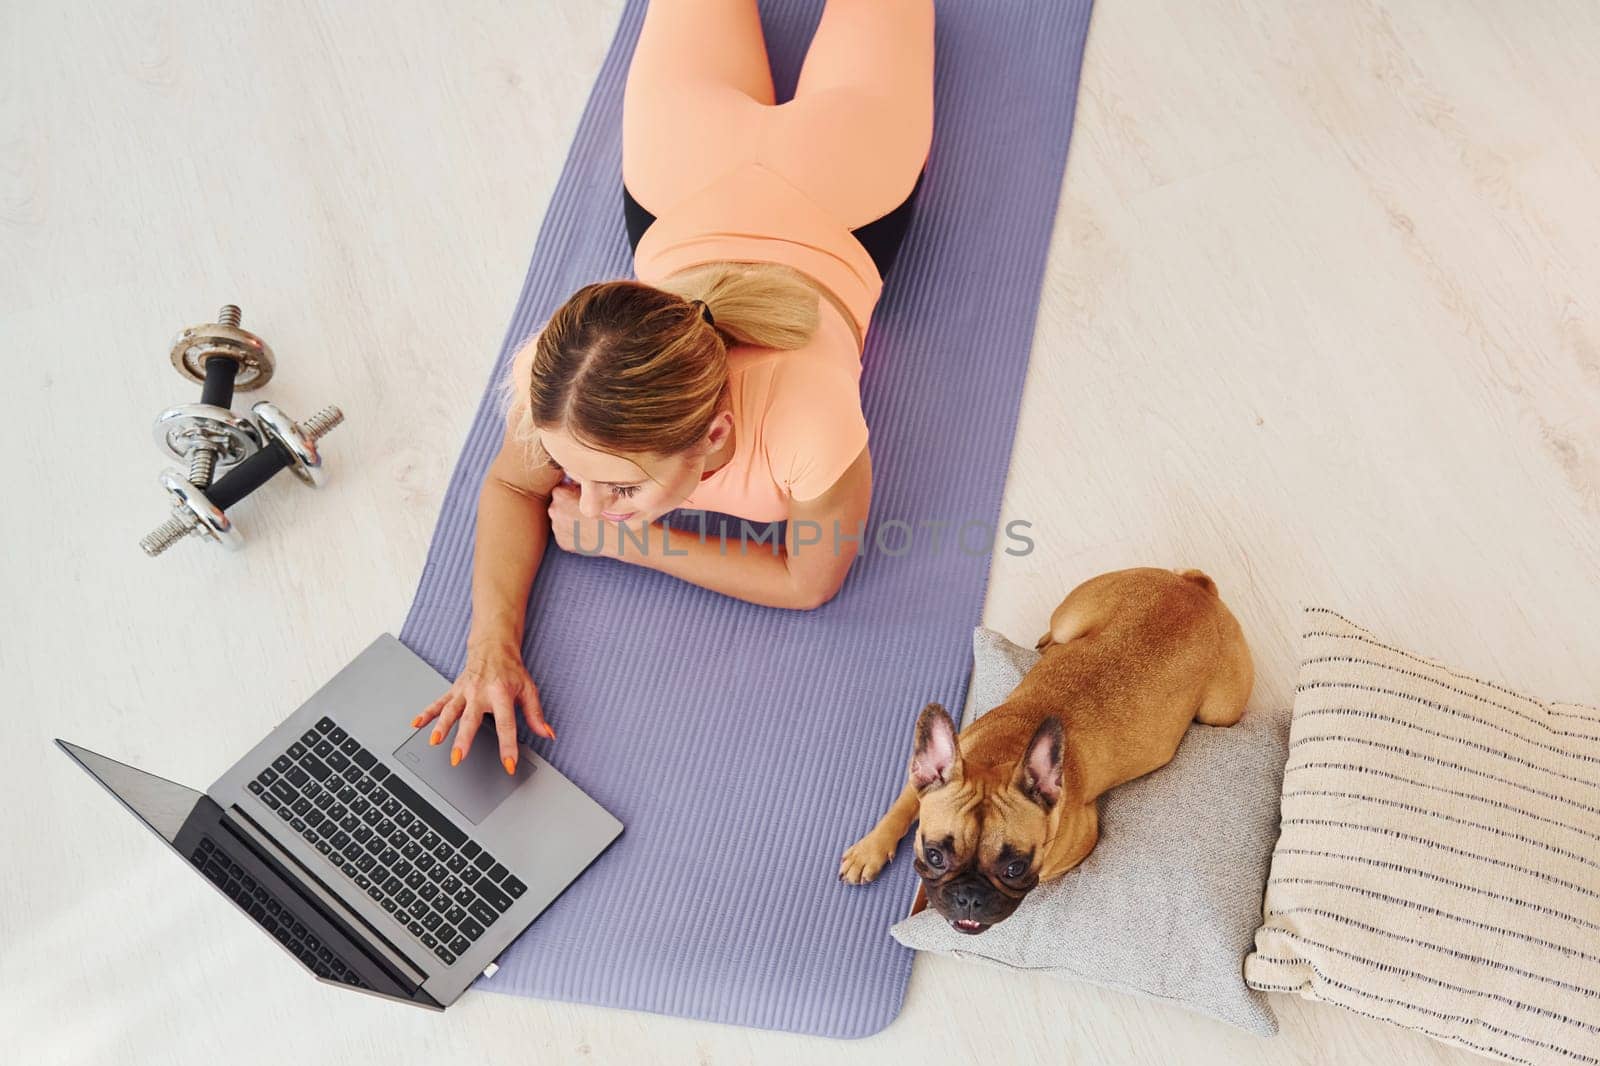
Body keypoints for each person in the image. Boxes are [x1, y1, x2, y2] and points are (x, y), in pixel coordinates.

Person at [414, 0, 936, 773]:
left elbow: (807, 579)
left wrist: (634, 543)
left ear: (716, 438)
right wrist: (490, 649)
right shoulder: (564, 375)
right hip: (687, 163)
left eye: (619, 488)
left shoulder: (809, 425)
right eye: (583, 480)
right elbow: (510, 486)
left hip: (842, 181)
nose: (584, 504)